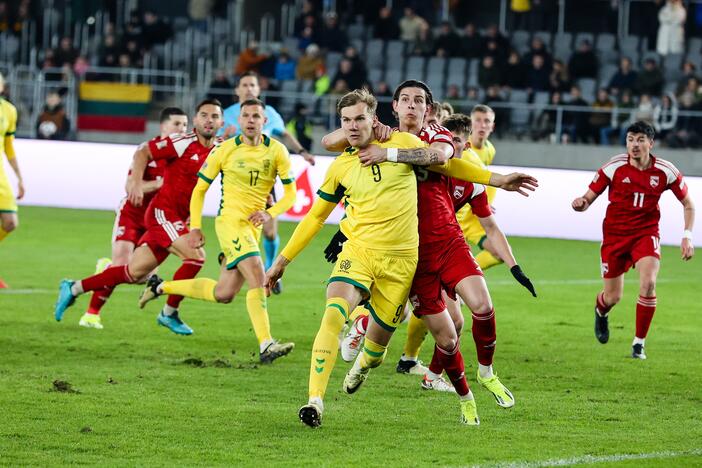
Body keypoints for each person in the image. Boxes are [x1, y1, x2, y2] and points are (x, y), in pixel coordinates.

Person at [271, 87, 536, 428]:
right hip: (361, 251)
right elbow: (316, 211)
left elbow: (447, 162)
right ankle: (315, 401)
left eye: (360, 119)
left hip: (406, 260)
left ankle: (369, 359)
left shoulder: (412, 145)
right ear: (392, 108)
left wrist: (498, 178)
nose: (353, 126)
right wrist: (282, 261)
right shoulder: (343, 163)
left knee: (380, 351)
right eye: (347, 121)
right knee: (334, 312)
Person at [139, 99, 296, 363]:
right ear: (240, 119)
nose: (250, 120)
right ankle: (266, 344)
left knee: (224, 293)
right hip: (230, 222)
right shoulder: (224, 150)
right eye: (245, 115)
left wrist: (269, 213)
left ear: (264, 121)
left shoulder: (277, 151)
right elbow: (200, 190)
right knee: (258, 275)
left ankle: (160, 287)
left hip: (253, 227)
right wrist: (196, 227)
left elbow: (291, 194)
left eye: (255, 116)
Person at [54, 100, 224, 335]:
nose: (209, 120)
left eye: (214, 117)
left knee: (132, 273)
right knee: (195, 256)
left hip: (176, 218)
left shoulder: (223, 148)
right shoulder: (181, 143)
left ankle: (73, 288)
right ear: (196, 120)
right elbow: (143, 152)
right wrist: (135, 182)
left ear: (221, 122)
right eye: (203, 115)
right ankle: (169, 312)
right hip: (162, 214)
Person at [572, 121, 695, 360]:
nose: (634, 145)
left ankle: (639, 344)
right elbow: (588, 197)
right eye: (630, 139)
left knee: (648, 283)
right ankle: (601, 309)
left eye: (640, 140)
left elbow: (688, 203)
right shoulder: (614, 167)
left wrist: (687, 236)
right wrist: (581, 203)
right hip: (615, 237)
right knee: (613, 297)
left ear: (651, 143)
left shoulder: (665, 170)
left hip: (645, 234)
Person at [78, 107, 188, 329]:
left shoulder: (183, 155)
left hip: (156, 221)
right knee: (122, 265)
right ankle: (91, 315)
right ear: (163, 127)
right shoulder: (148, 151)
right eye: (177, 124)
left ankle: (106, 269)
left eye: (185, 125)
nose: (181, 129)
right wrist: (157, 185)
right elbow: (130, 186)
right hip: (132, 214)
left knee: (140, 276)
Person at [221, 72, 315, 294]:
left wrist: (301, 151)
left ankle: (270, 269)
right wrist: (224, 137)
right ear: (237, 90)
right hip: (237, 182)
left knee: (270, 232)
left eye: (252, 84)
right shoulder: (227, 115)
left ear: (258, 89)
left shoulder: (269, 113)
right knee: (241, 226)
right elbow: (216, 145)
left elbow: (284, 134)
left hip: (264, 180)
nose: (249, 88)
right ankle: (241, 265)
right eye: (244, 85)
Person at [0, 73, 24, 288]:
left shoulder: (9, 110)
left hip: (0, 176)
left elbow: (9, 146)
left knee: (10, 222)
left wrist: (19, 177)